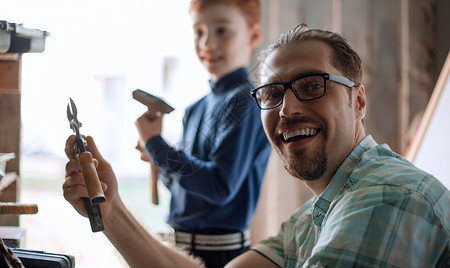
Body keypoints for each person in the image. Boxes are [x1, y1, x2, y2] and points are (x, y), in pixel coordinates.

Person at [63, 24, 450, 267]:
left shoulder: (385, 197)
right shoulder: (322, 209)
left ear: (359, 101)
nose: (288, 109)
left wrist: (158, 148)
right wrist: (111, 211)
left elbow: (220, 184)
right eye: (271, 93)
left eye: (313, 86)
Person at [100, 0, 272, 268]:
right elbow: (190, 190)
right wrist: (159, 160)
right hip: (179, 246)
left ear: (253, 37)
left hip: (220, 255)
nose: (207, 43)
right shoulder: (196, 108)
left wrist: (156, 145)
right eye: (199, 32)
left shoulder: (246, 102)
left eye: (222, 31)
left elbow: (219, 187)